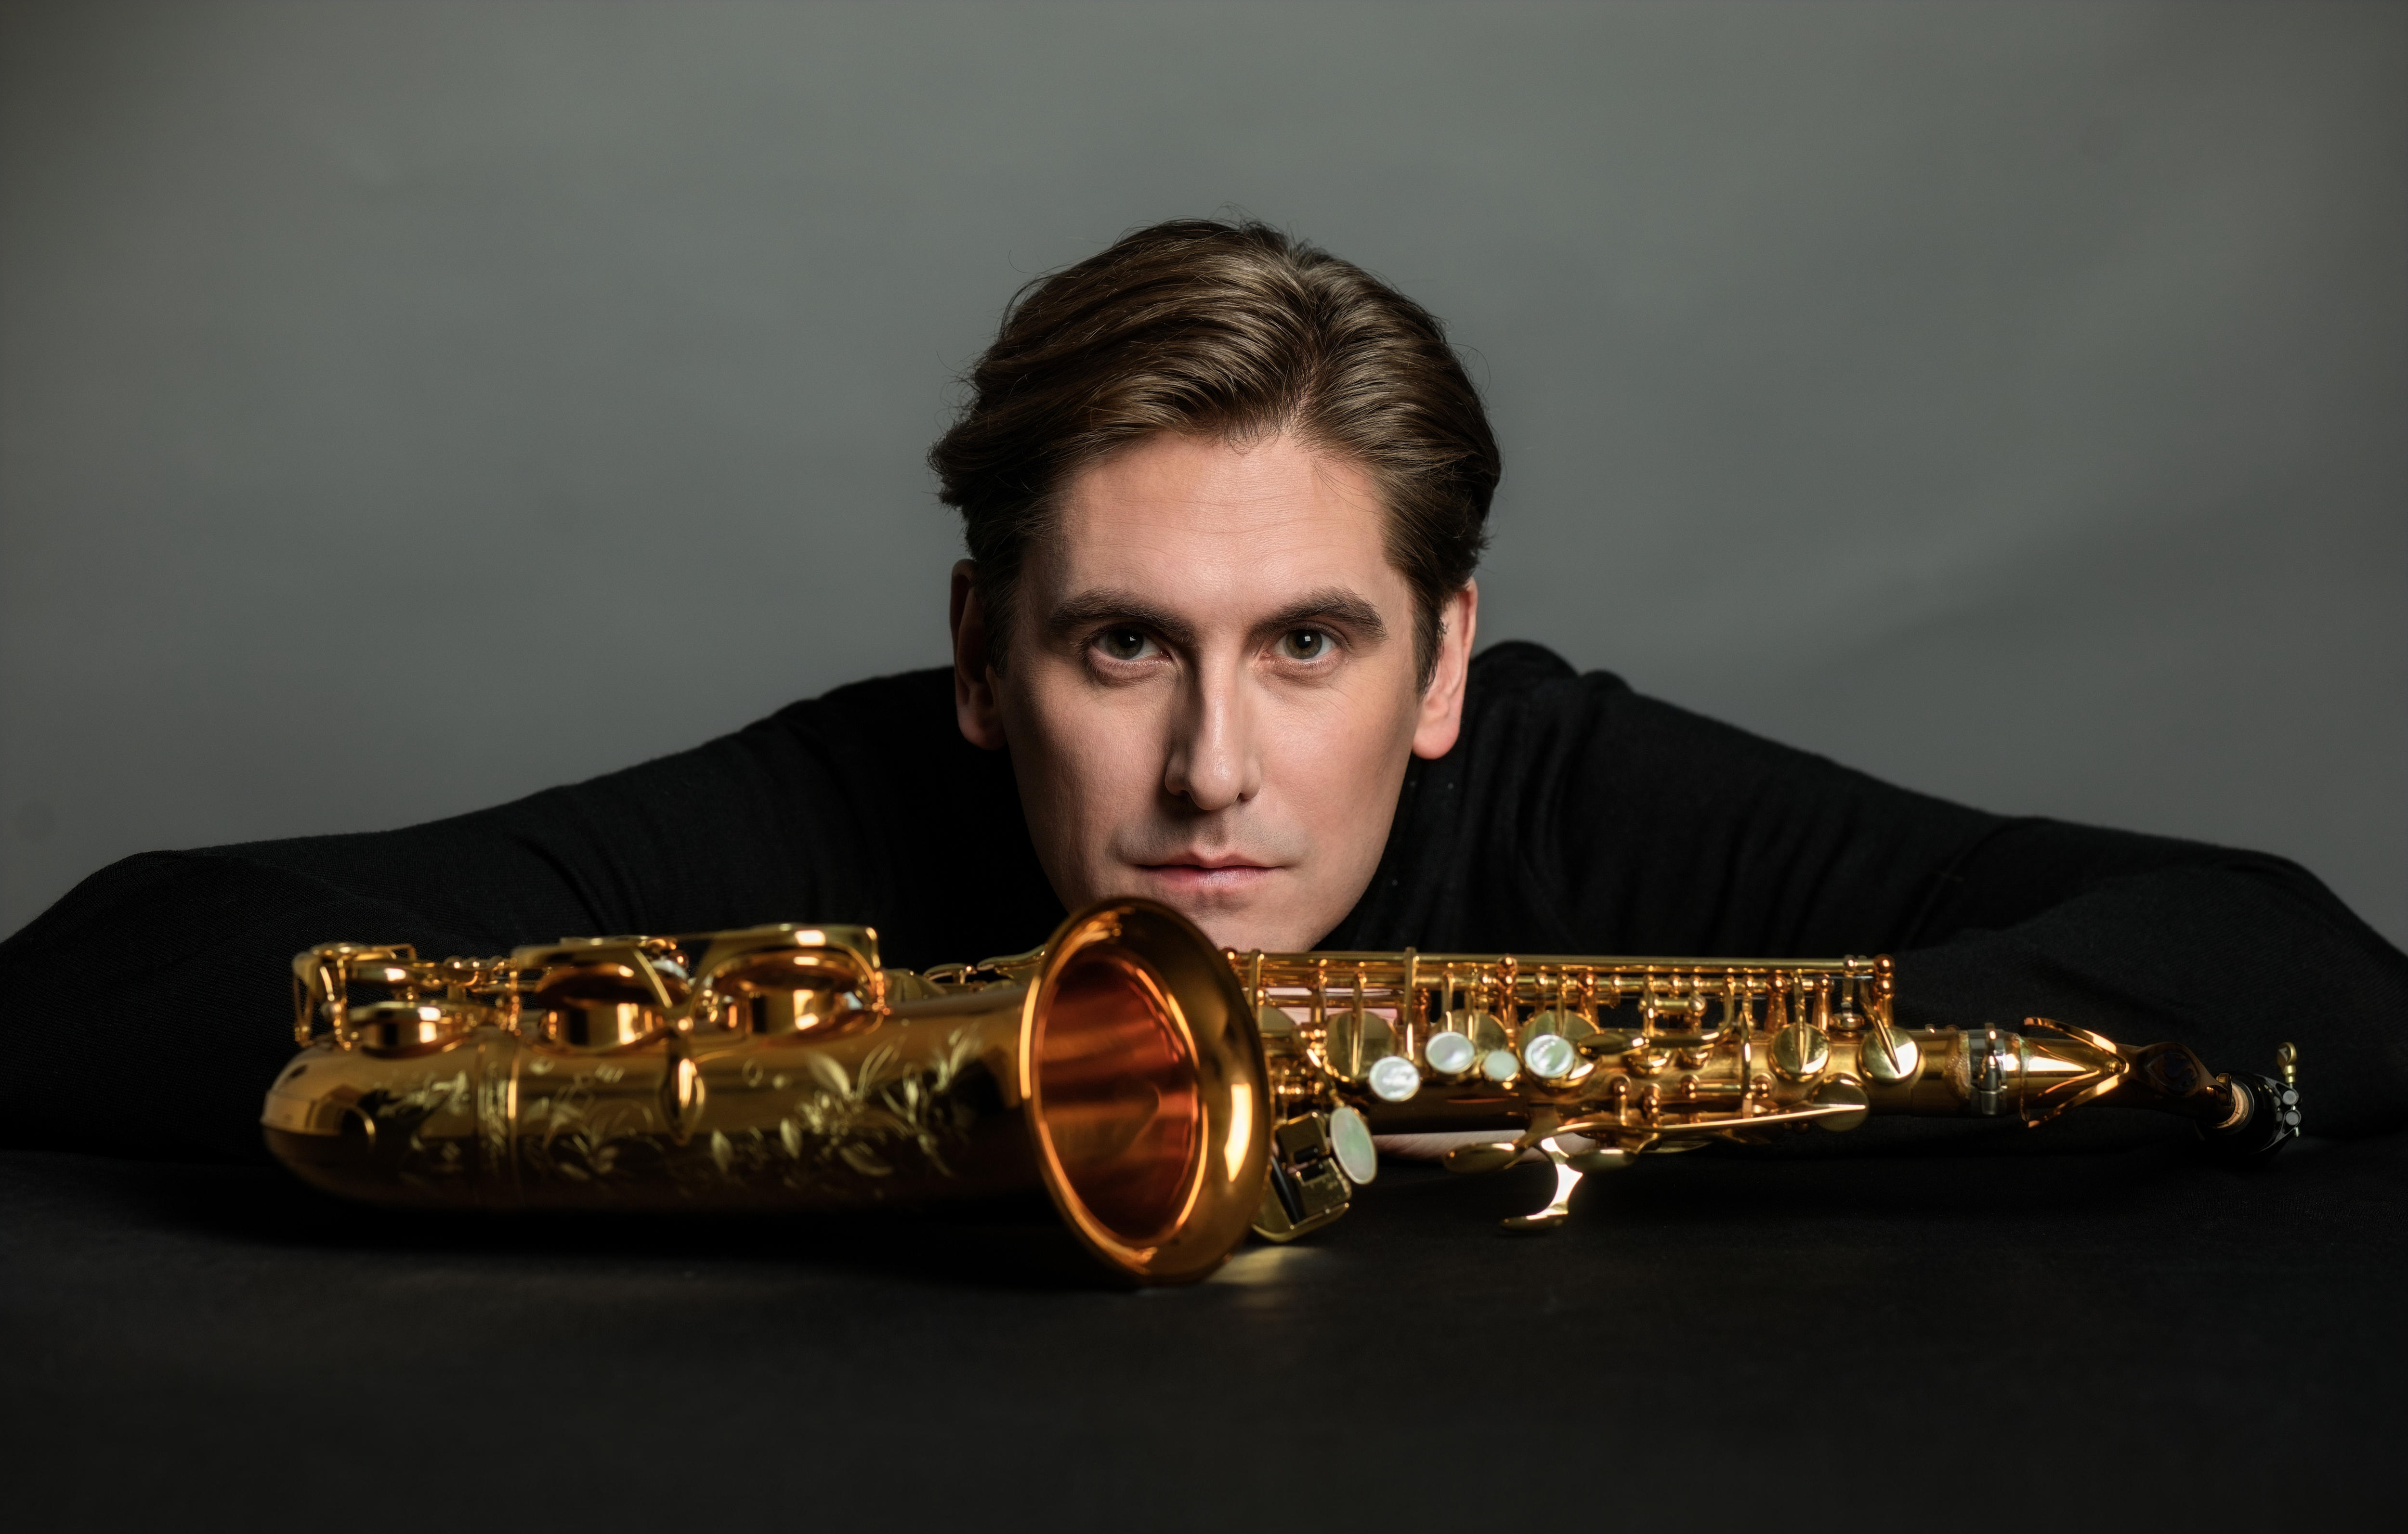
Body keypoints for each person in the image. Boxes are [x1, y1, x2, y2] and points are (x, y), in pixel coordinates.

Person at [4, 219, 2404, 1164]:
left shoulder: (1568, 784)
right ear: (981, 658)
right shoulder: (843, 806)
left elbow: (2282, 955)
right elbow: (116, 971)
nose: (1211, 771)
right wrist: (826, 1119)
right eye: (1119, 644)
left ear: (1441, 661)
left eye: (1311, 646)